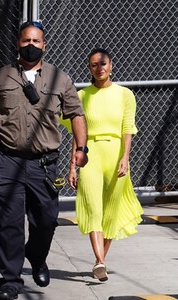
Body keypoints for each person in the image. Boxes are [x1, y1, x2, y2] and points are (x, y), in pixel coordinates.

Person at [0, 21, 88, 300]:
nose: (31, 46)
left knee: (46, 221)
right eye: (26, 41)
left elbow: (76, 115)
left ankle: (36, 256)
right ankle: (10, 280)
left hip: (44, 163)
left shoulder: (60, 78)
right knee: (9, 223)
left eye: (36, 41)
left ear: (45, 45)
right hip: (7, 159)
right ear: (17, 43)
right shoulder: (0, 77)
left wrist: (82, 148)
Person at [68, 48, 143, 282]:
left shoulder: (125, 95)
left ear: (111, 65)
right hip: (90, 153)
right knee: (93, 207)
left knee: (110, 211)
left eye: (103, 63)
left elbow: (127, 129)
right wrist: (72, 165)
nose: (99, 68)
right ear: (89, 68)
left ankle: (100, 261)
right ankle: (100, 261)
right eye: (93, 65)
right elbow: (76, 133)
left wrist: (125, 157)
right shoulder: (82, 96)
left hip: (115, 152)